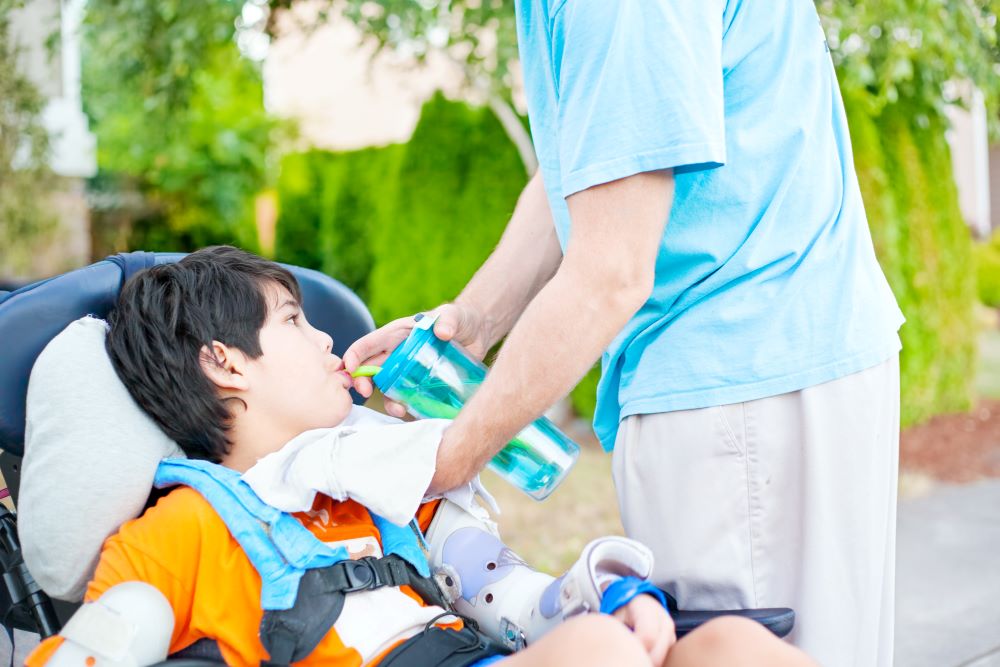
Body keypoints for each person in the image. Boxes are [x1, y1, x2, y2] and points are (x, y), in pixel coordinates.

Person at [344, 2, 904, 665]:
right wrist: (471, 323)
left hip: (740, 389)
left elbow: (610, 272)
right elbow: (593, 159)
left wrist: (446, 458)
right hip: (766, 366)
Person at [26, 247, 815, 667]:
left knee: (730, 647)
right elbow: (104, 642)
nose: (328, 338)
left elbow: (507, 591)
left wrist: (606, 604)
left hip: (478, 651)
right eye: (297, 322)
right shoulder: (186, 531)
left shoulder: (380, 487)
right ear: (227, 363)